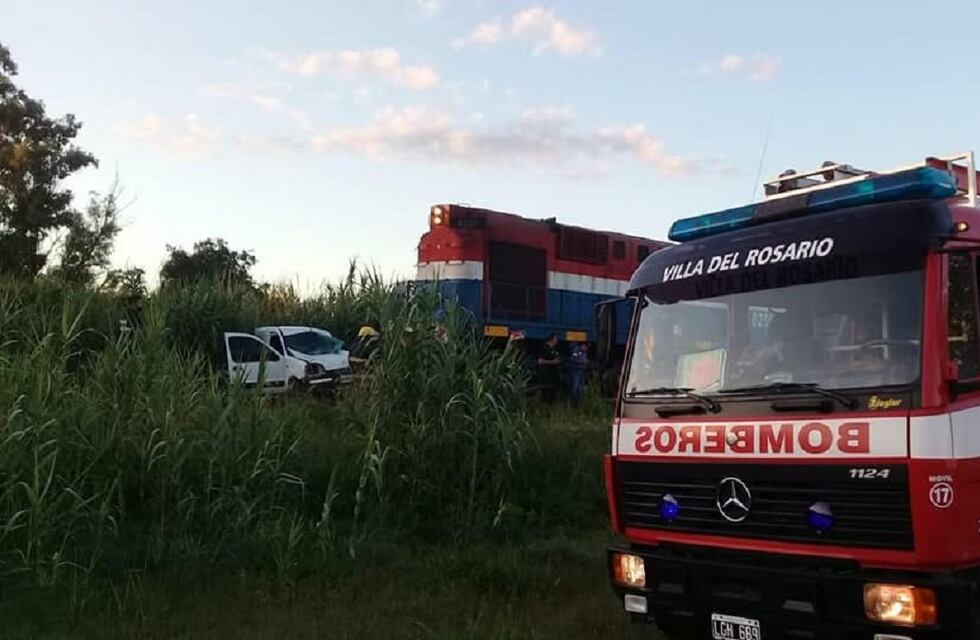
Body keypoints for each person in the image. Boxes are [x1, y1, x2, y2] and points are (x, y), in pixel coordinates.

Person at [536, 333, 561, 403]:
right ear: (551, 340)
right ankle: (544, 404)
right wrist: (552, 362)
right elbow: (540, 361)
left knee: (552, 390)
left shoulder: (553, 349)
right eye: (555, 339)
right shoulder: (545, 348)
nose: (557, 341)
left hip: (552, 374)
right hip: (545, 373)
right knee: (545, 390)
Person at [566, 342, 590, 406]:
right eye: (586, 347)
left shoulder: (583, 352)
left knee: (580, 388)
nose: (587, 349)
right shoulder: (575, 351)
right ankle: (573, 403)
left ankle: (578, 403)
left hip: (581, 371)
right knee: (575, 387)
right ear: (583, 346)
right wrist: (583, 362)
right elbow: (573, 359)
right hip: (576, 371)